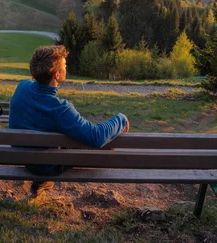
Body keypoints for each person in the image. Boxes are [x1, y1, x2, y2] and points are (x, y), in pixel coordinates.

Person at [9, 45, 129, 197]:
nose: (67, 67)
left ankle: (39, 182)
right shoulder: (60, 109)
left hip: (22, 156)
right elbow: (96, 137)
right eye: (65, 65)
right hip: (46, 166)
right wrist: (121, 119)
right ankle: (43, 180)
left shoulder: (22, 87)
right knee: (106, 144)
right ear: (57, 75)